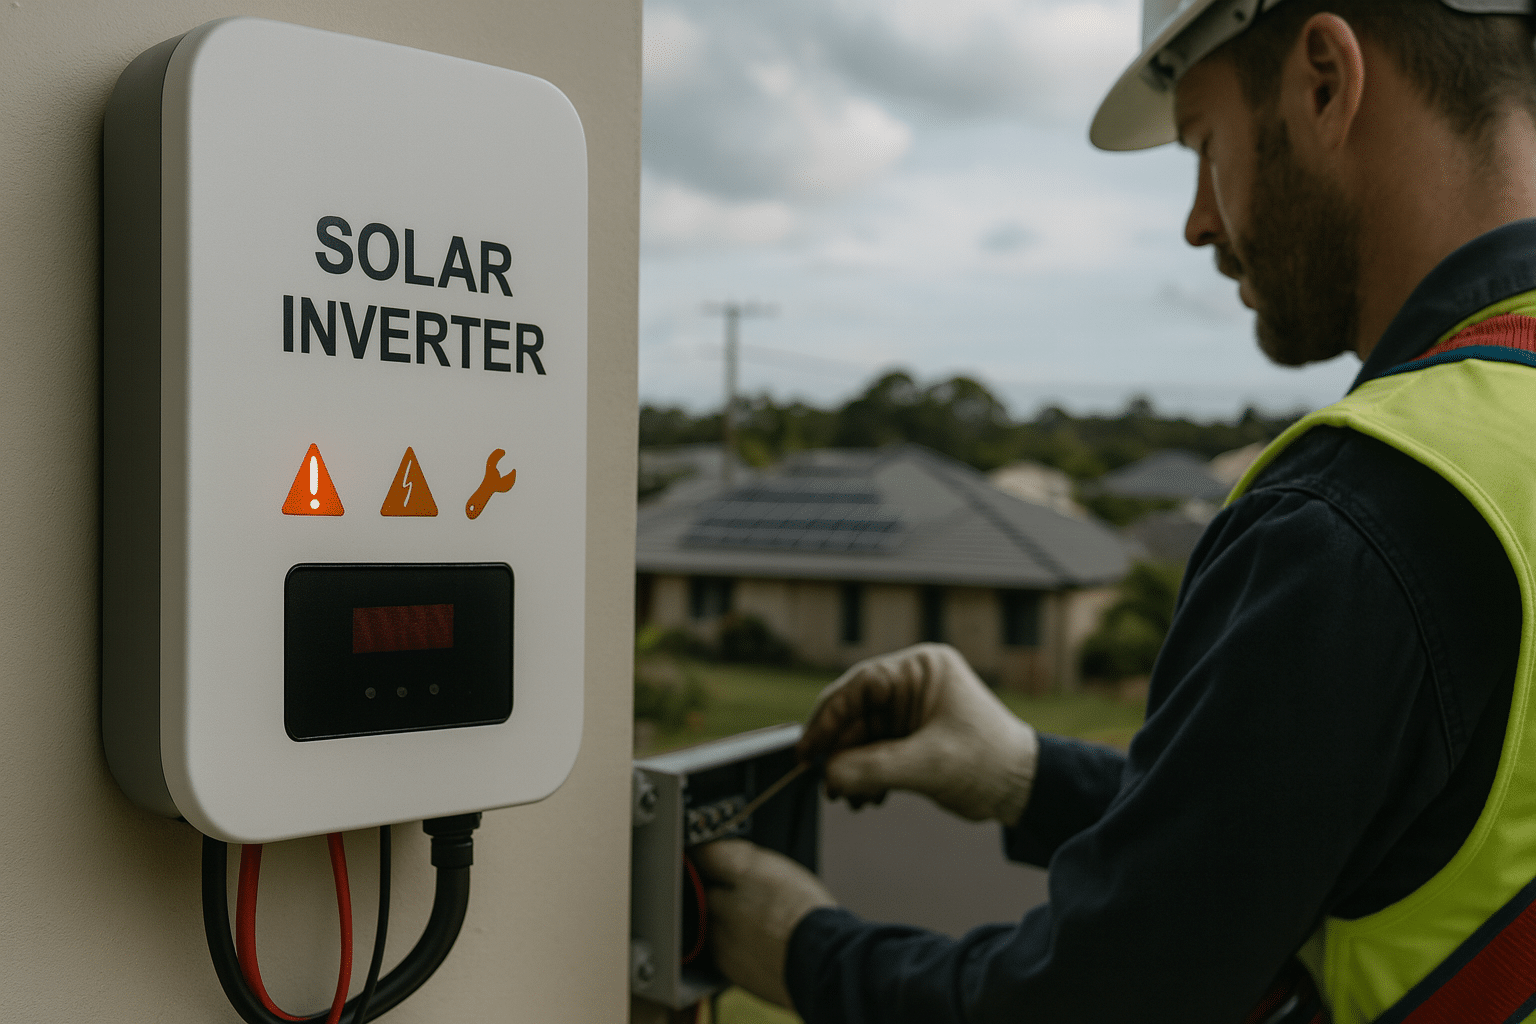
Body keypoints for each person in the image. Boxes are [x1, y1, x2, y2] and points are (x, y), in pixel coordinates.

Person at [693, 1, 1536, 1021]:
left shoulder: (1366, 514)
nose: (1198, 220)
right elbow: (1353, 831)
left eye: (1203, 145)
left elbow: (1098, 1002)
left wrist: (804, 950)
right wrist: (1027, 775)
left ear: (1324, 79)